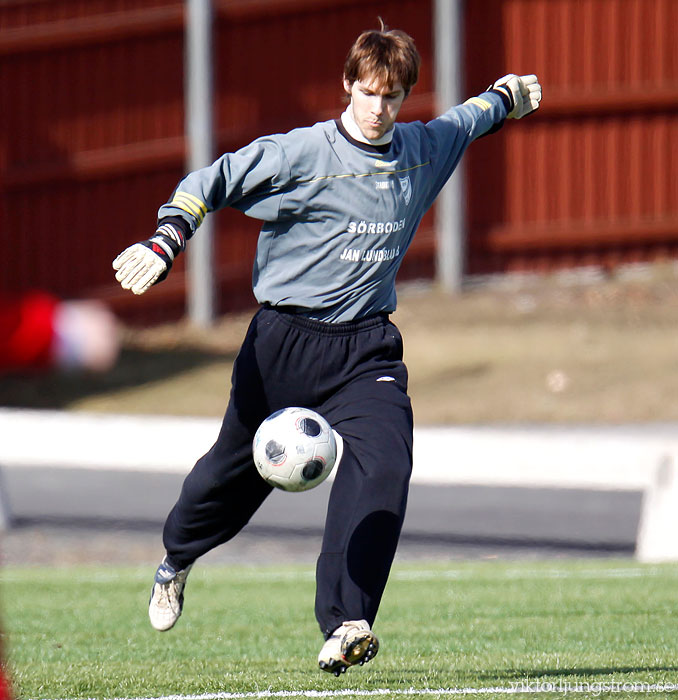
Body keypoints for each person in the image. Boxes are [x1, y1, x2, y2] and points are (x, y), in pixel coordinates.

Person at [113, 24, 541, 675]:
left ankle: (347, 621)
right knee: (226, 480)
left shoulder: (420, 150)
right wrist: (164, 242)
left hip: (365, 349)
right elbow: (212, 179)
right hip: (282, 344)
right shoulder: (301, 154)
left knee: (386, 461)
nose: (379, 109)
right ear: (347, 85)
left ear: (404, 97)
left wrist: (507, 95)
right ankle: (175, 560)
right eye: (368, 93)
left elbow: (470, 118)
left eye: (393, 97)